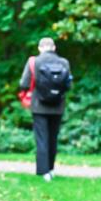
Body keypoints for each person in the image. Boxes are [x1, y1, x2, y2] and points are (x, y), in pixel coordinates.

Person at [19, 37, 72, 181]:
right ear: (54, 47)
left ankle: (44, 172)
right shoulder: (64, 62)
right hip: (58, 106)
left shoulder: (34, 62)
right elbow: (68, 85)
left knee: (42, 138)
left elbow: (24, 83)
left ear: (40, 48)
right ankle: (51, 169)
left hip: (39, 106)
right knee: (53, 138)